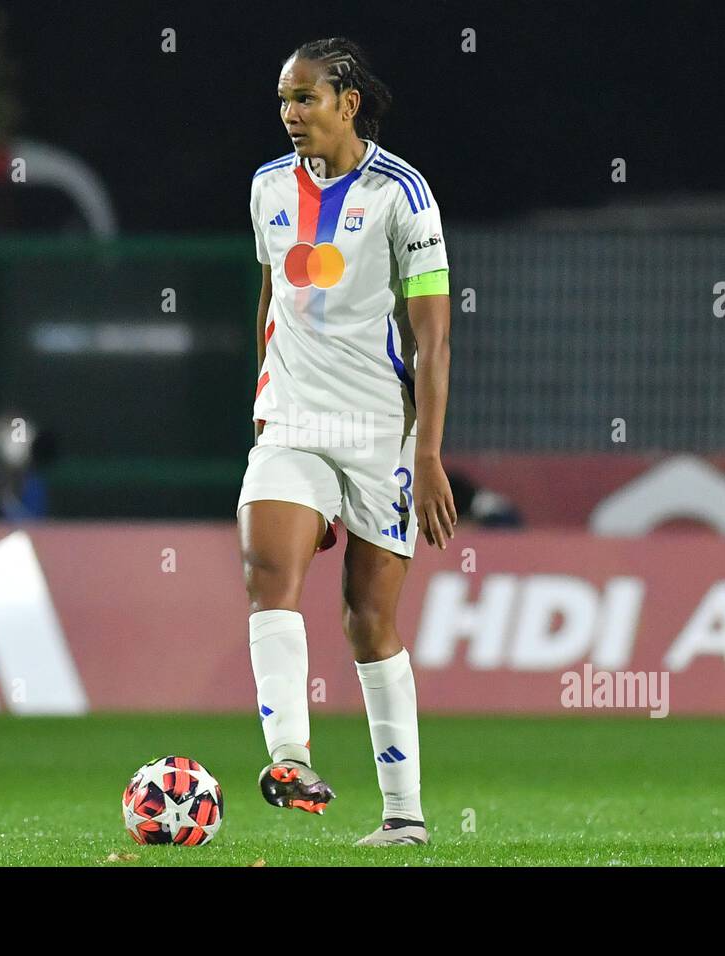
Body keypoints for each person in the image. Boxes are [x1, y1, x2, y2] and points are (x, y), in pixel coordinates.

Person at [237, 37, 456, 847]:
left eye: (306, 99)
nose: (292, 115)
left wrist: (426, 453)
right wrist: (261, 397)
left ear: (347, 103)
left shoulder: (404, 193)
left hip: (376, 432)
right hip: (292, 419)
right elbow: (269, 296)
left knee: (368, 619)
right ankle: (288, 755)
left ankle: (404, 817)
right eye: (284, 101)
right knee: (268, 572)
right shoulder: (266, 187)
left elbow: (432, 340)